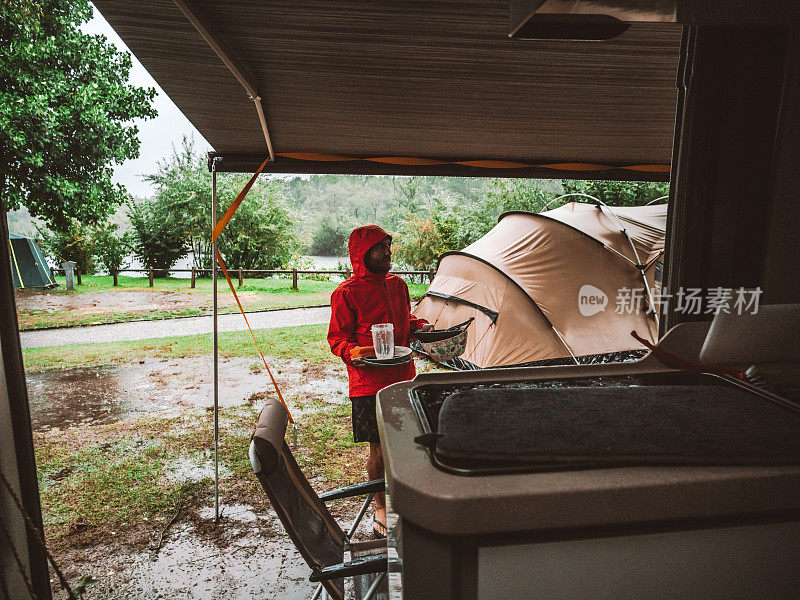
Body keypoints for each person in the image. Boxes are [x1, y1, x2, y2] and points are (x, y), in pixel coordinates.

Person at [327, 225, 431, 539]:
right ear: (363, 254)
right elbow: (337, 340)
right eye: (381, 247)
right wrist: (352, 351)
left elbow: (406, 324)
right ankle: (381, 507)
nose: (388, 252)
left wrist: (422, 328)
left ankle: (409, 498)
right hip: (368, 382)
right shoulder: (345, 293)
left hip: (403, 375)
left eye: (389, 246)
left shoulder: (398, 285)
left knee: (411, 441)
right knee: (379, 449)